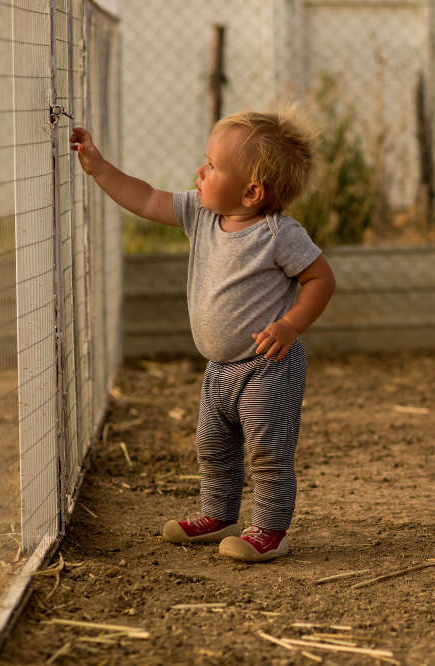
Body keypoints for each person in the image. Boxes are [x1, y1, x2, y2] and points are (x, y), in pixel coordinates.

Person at [70, 109, 336, 562]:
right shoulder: (200, 214)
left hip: (267, 365)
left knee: (267, 451)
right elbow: (145, 198)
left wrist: (290, 325)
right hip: (219, 367)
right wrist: (99, 167)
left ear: (252, 192)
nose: (200, 171)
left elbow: (321, 279)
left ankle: (271, 530)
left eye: (212, 166)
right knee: (213, 445)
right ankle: (220, 516)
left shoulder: (278, 235)